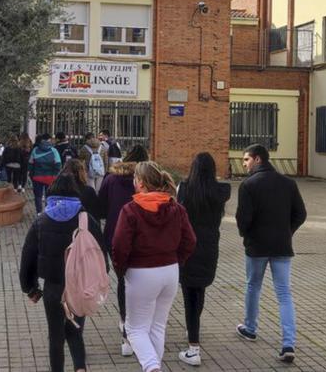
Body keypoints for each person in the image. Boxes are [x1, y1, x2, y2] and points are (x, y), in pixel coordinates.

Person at [112, 161, 196, 372]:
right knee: (157, 326)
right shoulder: (176, 207)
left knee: (135, 329)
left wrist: (121, 270)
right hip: (170, 271)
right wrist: (178, 260)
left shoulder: (131, 210)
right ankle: (152, 366)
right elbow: (190, 240)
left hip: (141, 272)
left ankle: (151, 367)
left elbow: (119, 245)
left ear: (140, 183)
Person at [19, 174, 107, 372]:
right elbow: (100, 252)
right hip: (79, 287)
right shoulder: (86, 218)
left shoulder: (41, 220)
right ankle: (80, 368)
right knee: (75, 331)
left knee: (56, 337)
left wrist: (30, 287)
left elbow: (28, 256)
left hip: (53, 287)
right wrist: (99, 280)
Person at [234, 143, 307, 363]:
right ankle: (288, 343)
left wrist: (246, 235)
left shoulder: (248, 185)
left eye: (246, 159)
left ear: (257, 159)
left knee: (252, 286)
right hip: (282, 246)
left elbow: (242, 219)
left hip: (256, 247)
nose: (244, 163)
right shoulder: (288, 183)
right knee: (284, 293)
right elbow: (300, 213)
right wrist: (287, 232)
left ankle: (250, 327)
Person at [176, 152, 232, 366]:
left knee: (189, 294)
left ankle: (193, 346)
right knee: (199, 291)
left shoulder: (185, 189)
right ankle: (193, 328)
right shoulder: (220, 191)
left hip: (187, 247)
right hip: (210, 247)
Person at [97, 144, 149, 357]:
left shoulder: (111, 179)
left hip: (114, 235)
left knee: (122, 279)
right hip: (143, 236)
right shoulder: (149, 181)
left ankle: (124, 320)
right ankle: (139, 322)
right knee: (140, 279)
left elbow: (100, 208)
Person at [29, 134, 61, 214]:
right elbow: (58, 164)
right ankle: (48, 212)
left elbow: (30, 163)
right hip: (50, 177)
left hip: (37, 177)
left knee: (38, 196)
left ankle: (39, 213)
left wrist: (31, 174)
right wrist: (55, 174)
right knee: (49, 196)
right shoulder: (54, 150)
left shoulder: (35, 149)